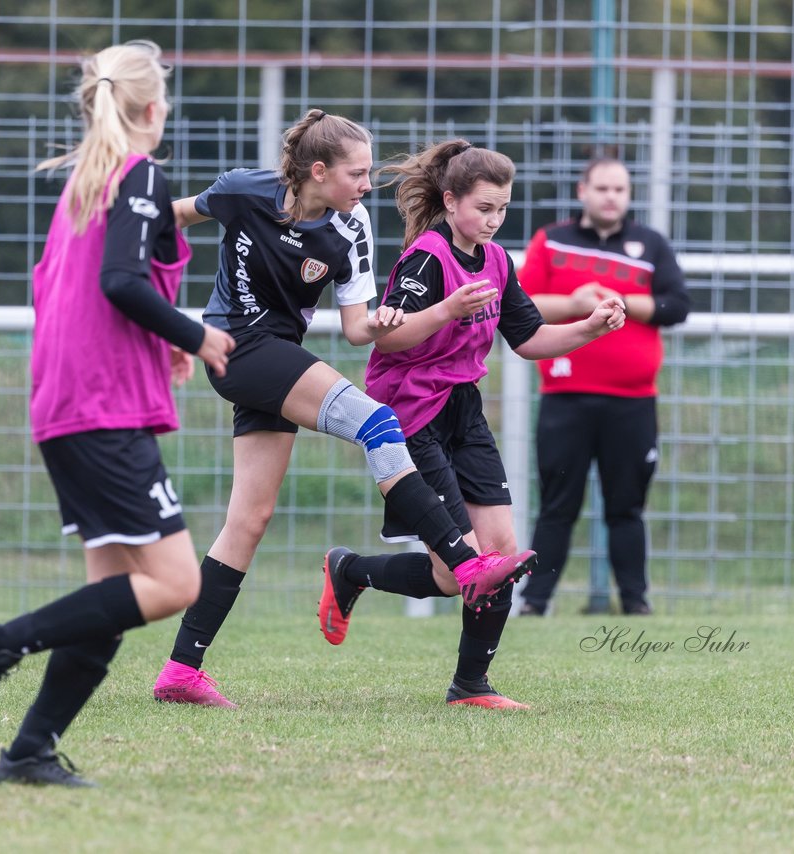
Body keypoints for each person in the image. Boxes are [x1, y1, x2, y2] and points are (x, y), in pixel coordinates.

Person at [151, 111, 540, 708]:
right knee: (377, 421)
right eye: (357, 173)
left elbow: (359, 330)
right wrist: (145, 295)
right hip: (238, 349)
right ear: (318, 170)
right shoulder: (241, 190)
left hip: (278, 361)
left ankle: (181, 669)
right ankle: (465, 565)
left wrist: (388, 321)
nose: (367, 184)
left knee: (248, 520)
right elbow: (169, 219)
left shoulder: (351, 225)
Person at [0, 41, 236, 787]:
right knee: (177, 583)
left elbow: (68, 289)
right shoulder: (137, 174)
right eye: (166, 95)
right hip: (100, 406)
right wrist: (196, 335)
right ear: (152, 108)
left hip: (69, 402)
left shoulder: (89, 182)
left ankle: (29, 753)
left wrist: (157, 343)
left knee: (110, 598)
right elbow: (121, 282)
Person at [314, 140, 625, 708]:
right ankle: (352, 570)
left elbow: (529, 340)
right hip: (411, 414)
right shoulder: (428, 259)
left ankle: (469, 684)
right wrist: (446, 310)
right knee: (460, 565)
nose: (494, 219)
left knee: (497, 553)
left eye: (502, 209)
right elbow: (389, 336)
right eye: (484, 208)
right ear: (451, 200)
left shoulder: (500, 261)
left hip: (463, 409)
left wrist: (591, 327)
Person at [516, 156, 691, 617]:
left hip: (633, 402)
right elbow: (521, 303)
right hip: (564, 399)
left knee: (626, 508)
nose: (611, 197)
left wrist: (625, 303)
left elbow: (677, 305)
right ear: (583, 191)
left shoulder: (651, 244)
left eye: (620, 189)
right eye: (603, 188)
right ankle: (535, 603)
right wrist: (573, 303)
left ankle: (635, 602)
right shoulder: (551, 240)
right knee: (557, 506)